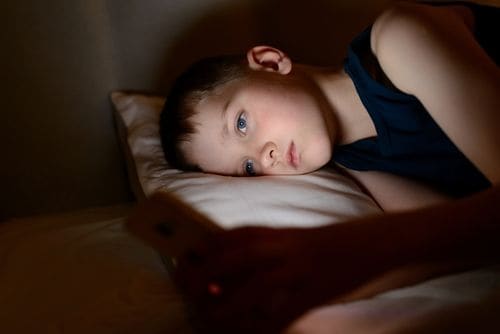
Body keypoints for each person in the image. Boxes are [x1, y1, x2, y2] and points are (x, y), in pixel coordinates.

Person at [159, 1, 500, 333]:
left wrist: (324, 250)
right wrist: (281, 298)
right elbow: (455, 244)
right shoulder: (358, 165)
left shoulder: (400, 38)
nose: (267, 156)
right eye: (248, 168)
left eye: (242, 124)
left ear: (270, 61)